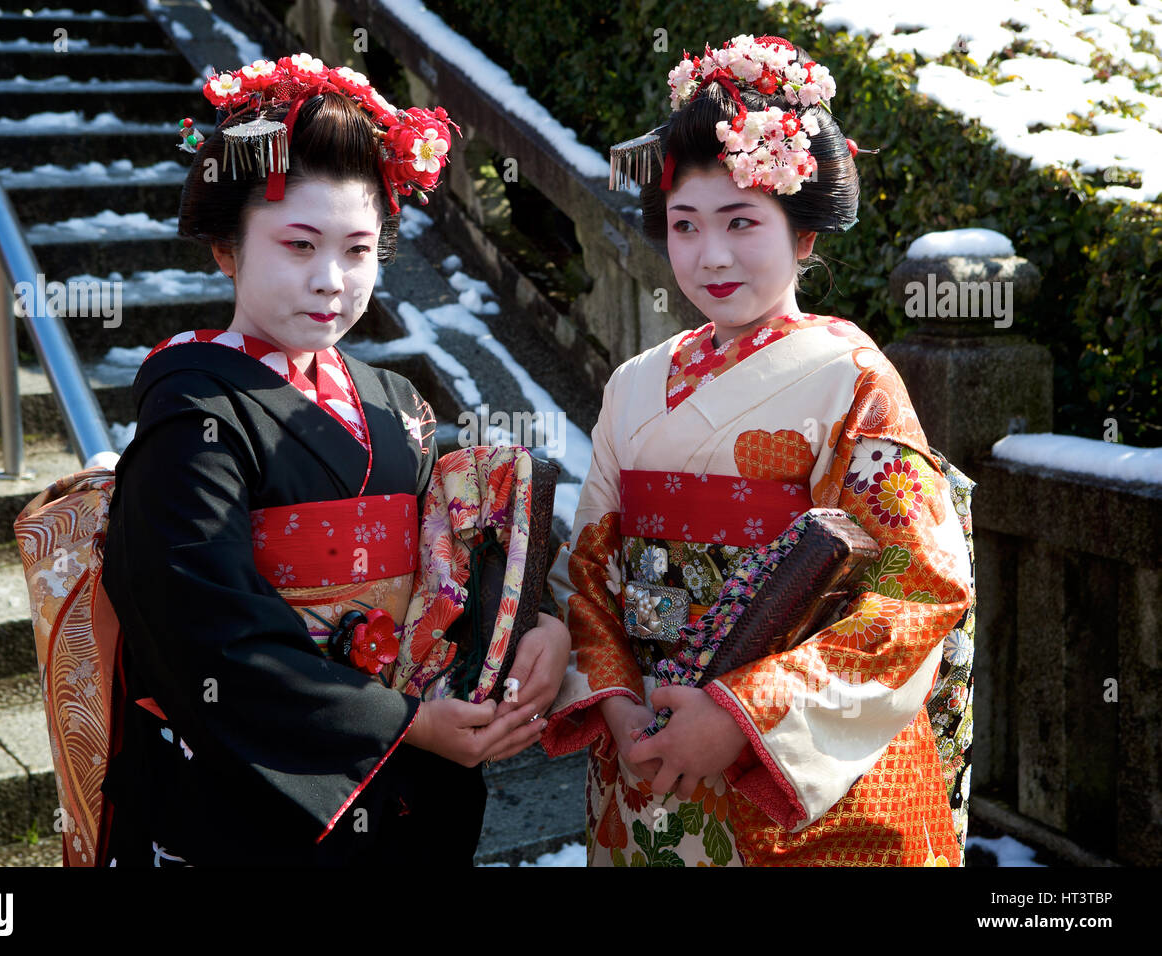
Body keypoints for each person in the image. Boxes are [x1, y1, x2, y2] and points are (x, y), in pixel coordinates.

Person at [100, 53, 568, 866]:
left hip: (413, 790)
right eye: (299, 244)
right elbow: (203, 631)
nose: (331, 281)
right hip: (254, 802)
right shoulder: (193, 414)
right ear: (226, 248)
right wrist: (404, 722)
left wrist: (540, 628)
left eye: (358, 250)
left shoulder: (394, 401)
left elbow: (450, 564)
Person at [541, 34, 974, 866]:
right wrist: (618, 701)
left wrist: (744, 712)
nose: (711, 254)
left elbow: (914, 581)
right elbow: (589, 570)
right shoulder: (634, 383)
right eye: (685, 224)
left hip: (788, 772)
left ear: (804, 235)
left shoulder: (854, 380)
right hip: (647, 757)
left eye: (743, 222)